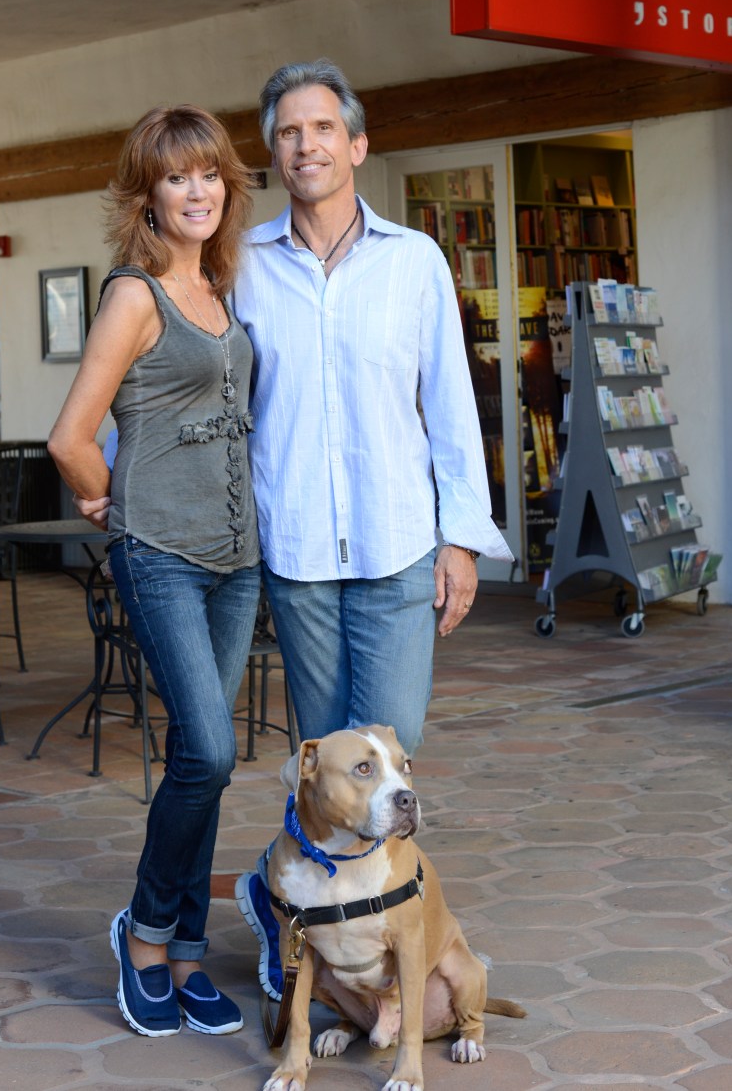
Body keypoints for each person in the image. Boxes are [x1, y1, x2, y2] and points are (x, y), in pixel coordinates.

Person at [230, 58, 511, 1000]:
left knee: (391, 758)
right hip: (298, 552)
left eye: (320, 129)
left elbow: (451, 408)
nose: (304, 145)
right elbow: (194, 375)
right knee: (327, 765)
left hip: (398, 546)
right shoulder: (244, 266)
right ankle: (304, 935)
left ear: (356, 145)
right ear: (274, 155)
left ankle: (388, 939)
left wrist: (461, 538)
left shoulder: (415, 261)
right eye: (286, 133)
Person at [47, 104, 261, 1040]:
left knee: (203, 767)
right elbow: (70, 438)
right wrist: (108, 502)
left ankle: (183, 954)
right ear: (148, 195)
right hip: (163, 556)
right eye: (177, 177)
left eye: (209, 173)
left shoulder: (223, 291)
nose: (197, 190)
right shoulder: (134, 295)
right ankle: (142, 936)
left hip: (238, 560)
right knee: (207, 749)